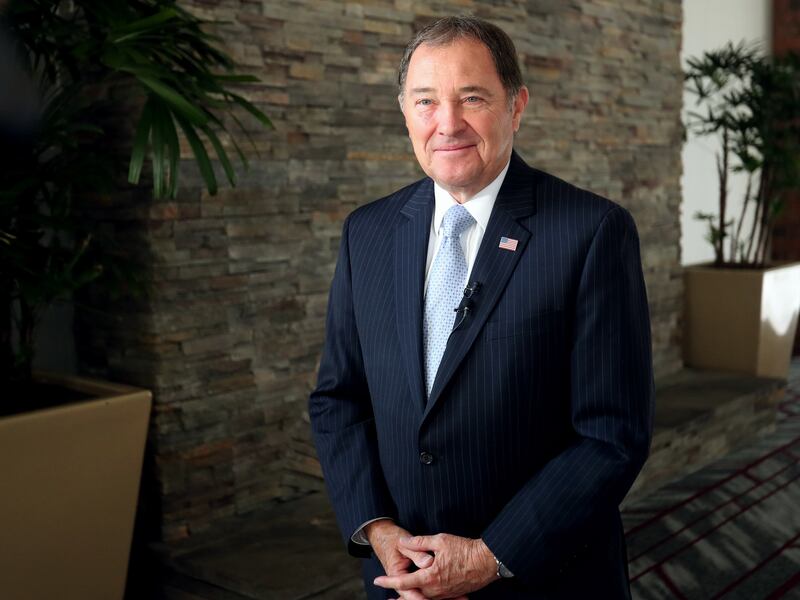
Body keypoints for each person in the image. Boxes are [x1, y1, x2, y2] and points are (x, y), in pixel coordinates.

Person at [309, 15, 654, 600]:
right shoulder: (365, 232)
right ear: (404, 113)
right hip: (402, 577)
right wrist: (377, 529)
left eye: (472, 98)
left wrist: (491, 556)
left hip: (542, 576)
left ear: (516, 106)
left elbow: (611, 434)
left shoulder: (592, 232)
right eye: (425, 101)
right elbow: (339, 398)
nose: (448, 124)